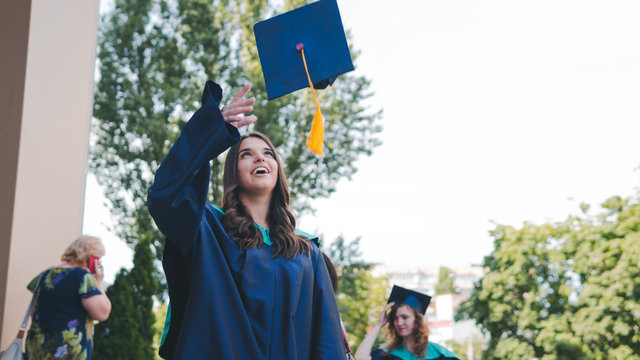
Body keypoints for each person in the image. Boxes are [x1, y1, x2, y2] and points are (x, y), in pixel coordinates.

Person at [148, 80, 346, 359]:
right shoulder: (209, 230)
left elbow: (326, 341)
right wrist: (210, 131)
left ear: (277, 170)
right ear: (233, 171)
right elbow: (165, 195)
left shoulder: (307, 252)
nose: (259, 158)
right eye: (246, 154)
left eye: (267, 154)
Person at [25, 235, 111, 360]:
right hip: (67, 353)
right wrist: (98, 282)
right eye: (99, 259)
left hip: (37, 350)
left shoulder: (45, 275)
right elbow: (102, 313)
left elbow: (34, 313)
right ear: (91, 258)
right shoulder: (83, 278)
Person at [354, 287, 460, 360]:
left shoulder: (437, 353)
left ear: (417, 320)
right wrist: (378, 325)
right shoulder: (388, 354)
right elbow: (360, 358)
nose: (399, 322)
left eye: (405, 317)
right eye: (395, 318)